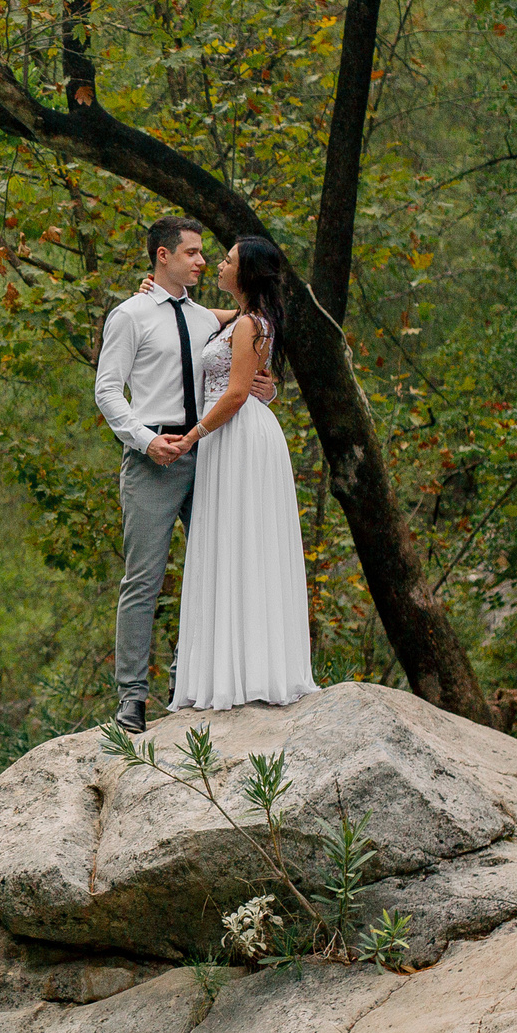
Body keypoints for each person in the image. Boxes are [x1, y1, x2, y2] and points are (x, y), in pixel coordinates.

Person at [92, 218, 271, 733]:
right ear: (163, 256)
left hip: (211, 454)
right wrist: (144, 440)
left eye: (204, 254)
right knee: (143, 579)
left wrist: (268, 385)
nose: (201, 261)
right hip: (152, 456)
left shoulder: (205, 318)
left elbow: (258, 323)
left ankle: (186, 683)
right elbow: (107, 390)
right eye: (191, 253)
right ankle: (131, 699)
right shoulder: (130, 315)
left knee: (211, 569)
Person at [163, 237, 317, 711]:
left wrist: (191, 437)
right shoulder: (243, 318)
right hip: (229, 435)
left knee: (242, 540)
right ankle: (235, 667)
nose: (218, 264)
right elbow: (195, 315)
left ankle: (245, 672)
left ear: (246, 272)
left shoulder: (250, 323)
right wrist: (155, 293)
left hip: (235, 433)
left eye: (227, 260)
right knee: (232, 541)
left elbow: (234, 394)